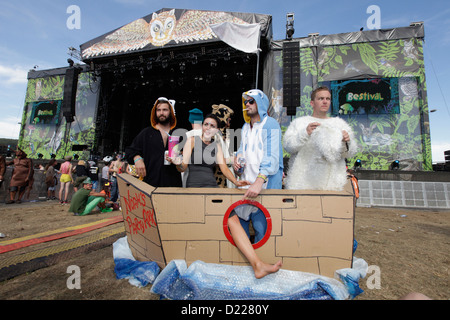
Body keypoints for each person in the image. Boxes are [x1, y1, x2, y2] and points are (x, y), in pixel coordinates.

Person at [230, 89, 284, 278]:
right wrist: (237, 162)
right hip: (246, 187)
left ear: (260, 103)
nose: (248, 104)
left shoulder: (271, 124)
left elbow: (272, 156)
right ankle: (248, 270)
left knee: (264, 232)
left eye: (252, 101)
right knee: (241, 228)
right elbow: (243, 152)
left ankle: (268, 271)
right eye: (246, 102)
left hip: (265, 188)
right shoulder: (245, 128)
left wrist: (260, 181)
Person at [283, 86, 357, 191]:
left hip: (332, 184)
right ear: (312, 103)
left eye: (327, 99)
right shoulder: (299, 123)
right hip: (302, 183)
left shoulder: (339, 124)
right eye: (321, 99)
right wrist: (305, 133)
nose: (325, 102)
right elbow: (288, 147)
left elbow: (349, 153)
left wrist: (347, 142)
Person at [168, 113, 248, 188]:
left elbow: (224, 169)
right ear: (202, 126)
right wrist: (178, 164)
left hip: (212, 187)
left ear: (217, 130)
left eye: (212, 126)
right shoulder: (192, 141)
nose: (208, 128)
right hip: (194, 187)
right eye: (206, 124)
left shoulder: (217, 146)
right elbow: (183, 167)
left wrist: (236, 182)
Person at [125, 97, 182, 187]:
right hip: (149, 185)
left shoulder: (179, 134)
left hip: (173, 186)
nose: (161, 113)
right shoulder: (146, 133)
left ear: (171, 112)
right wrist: (137, 158)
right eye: (158, 110)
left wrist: (180, 161)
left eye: (165, 110)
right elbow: (130, 150)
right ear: (154, 113)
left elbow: (186, 160)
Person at [211, 104, 235, 188]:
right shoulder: (212, 136)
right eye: (228, 118)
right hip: (217, 180)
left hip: (228, 179)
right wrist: (230, 160)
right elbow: (210, 159)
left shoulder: (227, 135)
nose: (229, 121)